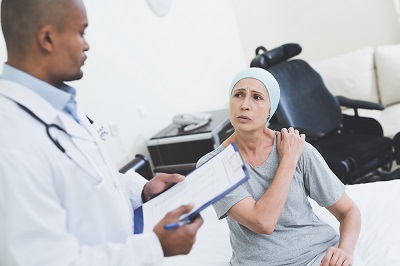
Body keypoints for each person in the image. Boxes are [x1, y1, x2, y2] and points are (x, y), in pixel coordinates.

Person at [0, 0, 203, 265]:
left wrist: (142, 191)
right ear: (47, 38)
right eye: (81, 32)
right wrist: (153, 247)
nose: (87, 45)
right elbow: (45, 260)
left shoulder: (59, 104)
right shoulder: (11, 139)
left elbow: (97, 178)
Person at [197, 67, 362, 266]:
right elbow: (262, 222)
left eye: (257, 97)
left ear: (270, 109)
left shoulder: (299, 149)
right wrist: (288, 160)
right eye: (238, 95)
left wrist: (345, 250)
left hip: (317, 255)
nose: (245, 105)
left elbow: (349, 211)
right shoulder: (212, 165)